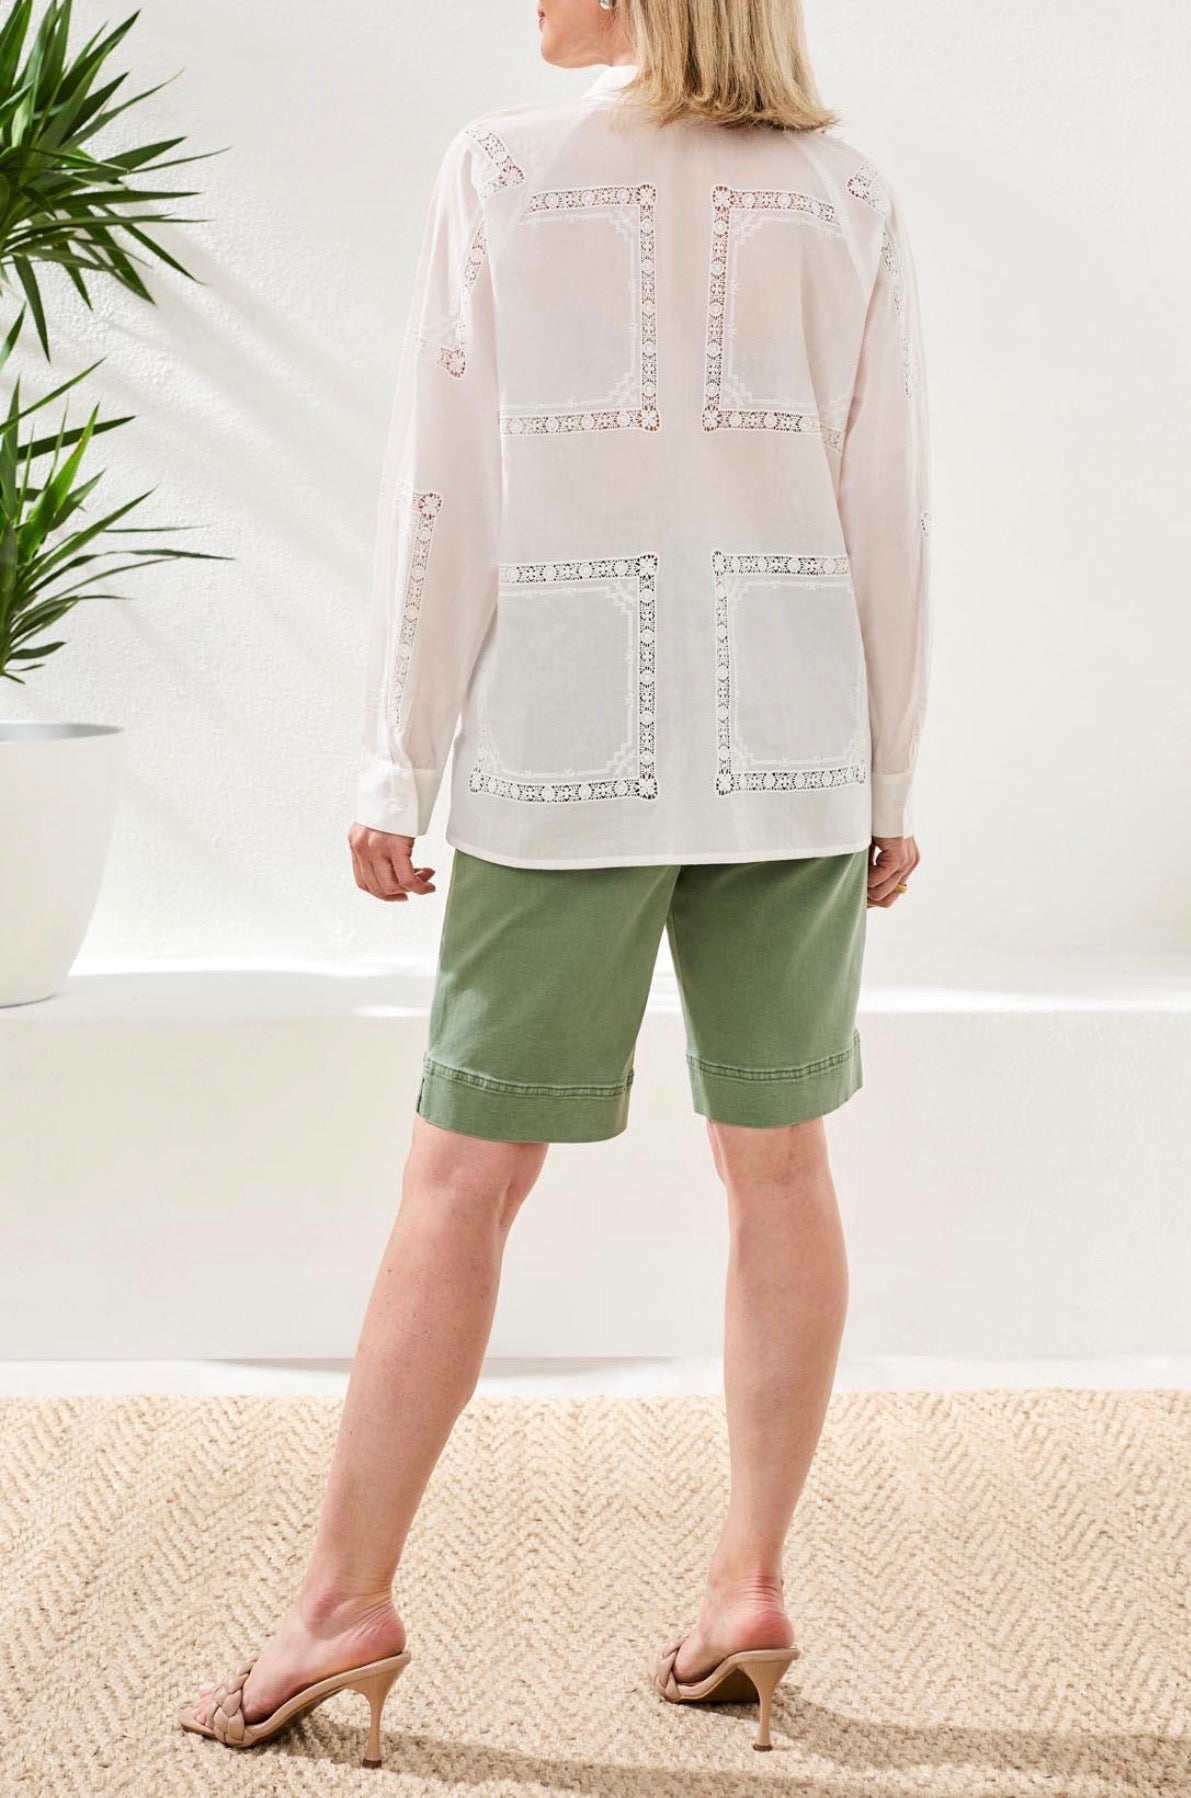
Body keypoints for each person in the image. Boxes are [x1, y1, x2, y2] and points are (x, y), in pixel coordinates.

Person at [180, 0, 930, 1764]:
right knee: (783, 1167)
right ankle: (749, 1585)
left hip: (564, 751)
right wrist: (890, 775)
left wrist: (398, 756)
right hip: (794, 750)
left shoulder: (503, 175)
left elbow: (443, 489)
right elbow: (886, 505)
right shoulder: (851, 196)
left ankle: (339, 1603)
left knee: (460, 1181)